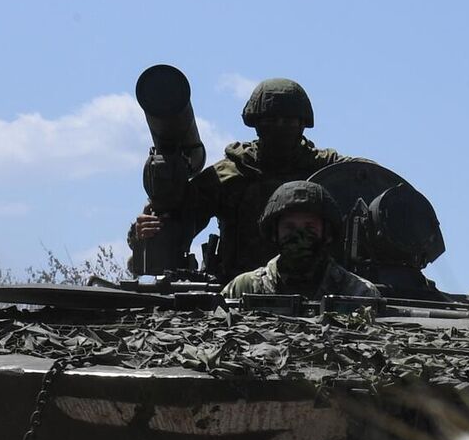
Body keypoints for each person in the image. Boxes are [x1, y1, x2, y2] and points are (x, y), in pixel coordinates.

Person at [127, 78, 345, 281]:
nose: (280, 127)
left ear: (302, 124)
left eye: (289, 121)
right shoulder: (230, 174)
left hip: (320, 287)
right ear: (257, 124)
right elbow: (178, 223)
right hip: (238, 292)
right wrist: (145, 234)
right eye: (271, 120)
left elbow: (371, 182)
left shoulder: (331, 170)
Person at [223, 181, 378, 300]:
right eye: (289, 227)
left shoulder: (359, 294)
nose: (299, 236)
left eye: (310, 227)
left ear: (327, 234)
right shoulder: (244, 288)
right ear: (274, 233)